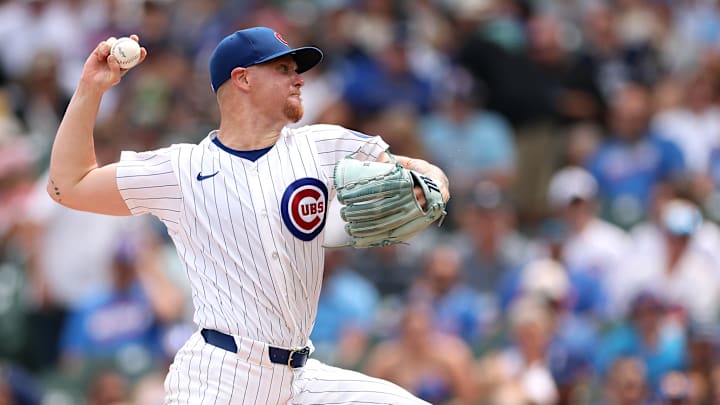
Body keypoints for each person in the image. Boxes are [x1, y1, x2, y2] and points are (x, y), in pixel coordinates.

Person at [47, 27, 449, 404]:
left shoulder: (324, 145)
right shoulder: (180, 169)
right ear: (242, 78)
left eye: (296, 70)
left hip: (300, 375)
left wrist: (434, 185)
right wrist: (90, 89)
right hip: (220, 377)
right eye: (283, 69)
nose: (299, 79)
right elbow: (68, 186)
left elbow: (417, 169)